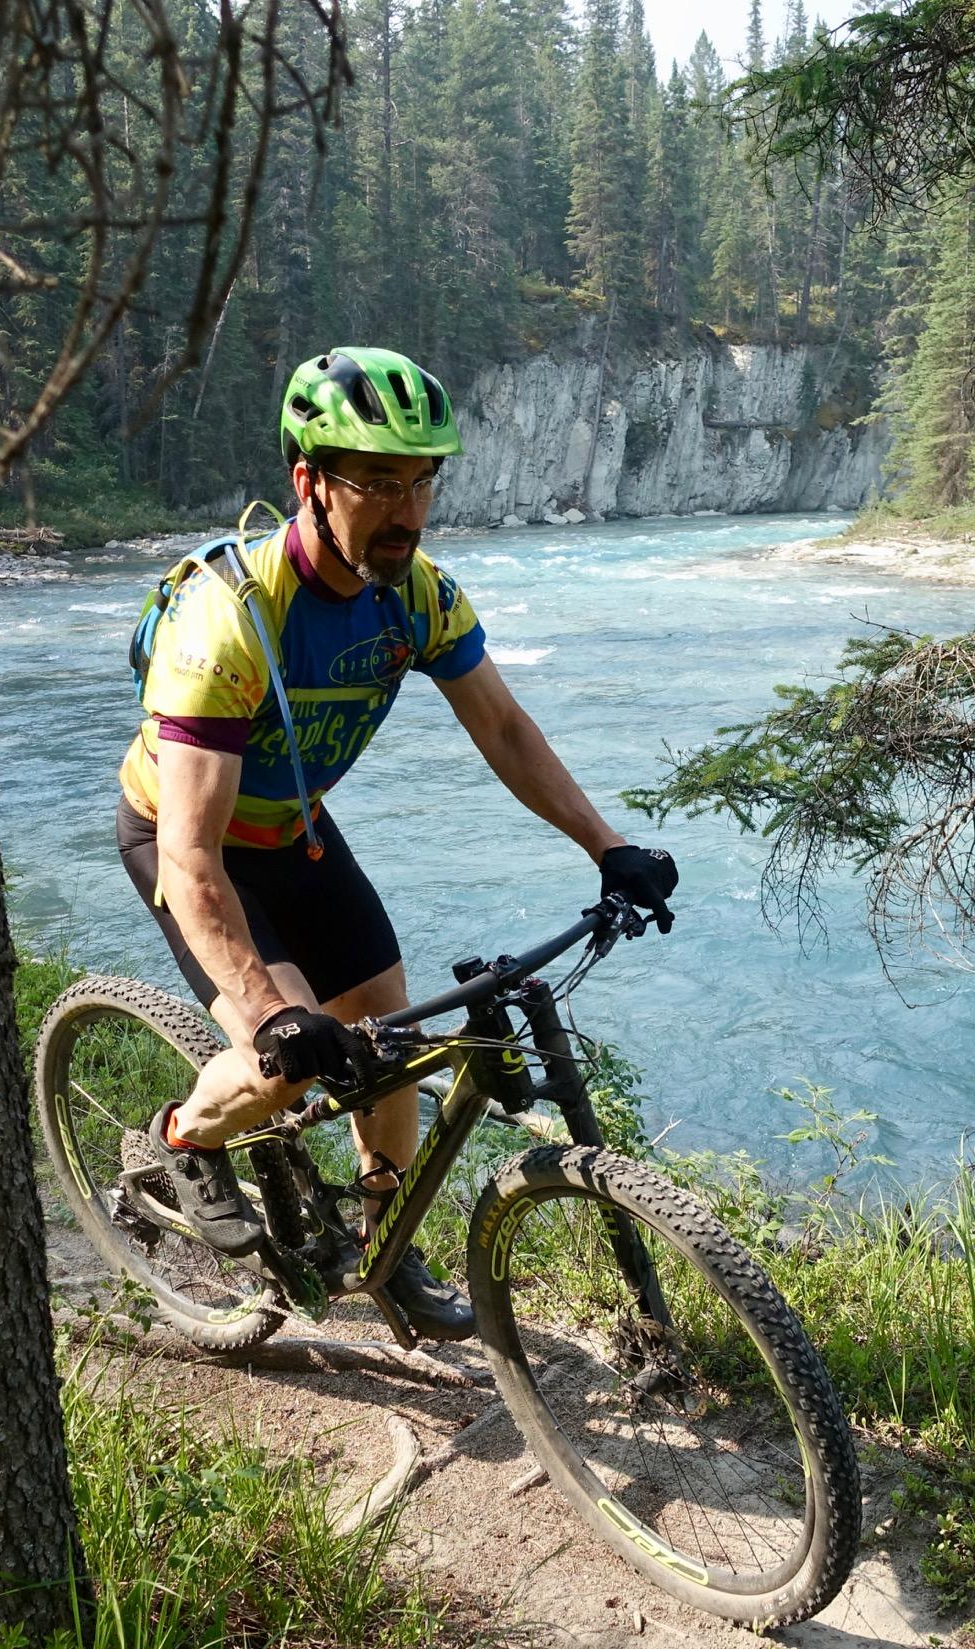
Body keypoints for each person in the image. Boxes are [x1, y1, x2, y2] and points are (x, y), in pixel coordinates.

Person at [116, 346, 679, 1339]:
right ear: (309, 483)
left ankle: (387, 1245)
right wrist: (262, 1010)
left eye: (422, 480)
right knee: (279, 1058)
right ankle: (178, 1140)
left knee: (393, 1044)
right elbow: (192, 859)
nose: (408, 509)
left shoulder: (415, 595)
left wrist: (605, 846)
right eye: (377, 482)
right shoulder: (228, 620)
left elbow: (502, 728)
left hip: (295, 832)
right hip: (185, 836)